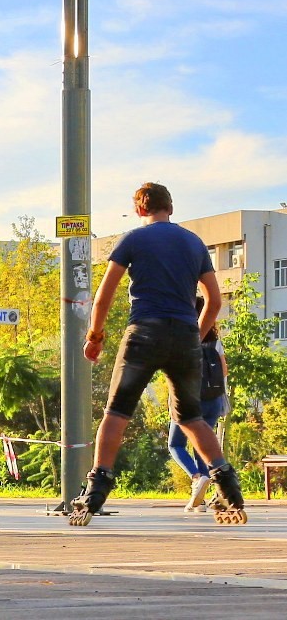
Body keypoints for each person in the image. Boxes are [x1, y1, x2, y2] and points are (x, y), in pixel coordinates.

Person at [72, 182, 246, 524]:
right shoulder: (193, 242)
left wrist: (95, 335)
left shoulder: (133, 240)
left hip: (144, 333)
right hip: (183, 335)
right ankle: (228, 488)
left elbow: (105, 294)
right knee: (191, 417)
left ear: (139, 209)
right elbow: (214, 298)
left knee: (117, 411)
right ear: (171, 207)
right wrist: (195, 335)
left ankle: (95, 490)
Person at [169, 296, 231, 512]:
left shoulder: (181, 337)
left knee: (175, 444)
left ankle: (197, 478)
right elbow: (224, 370)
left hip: (188, 401)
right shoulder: (215, 339)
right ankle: (201, 498)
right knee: (202, 446)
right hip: (213, 400)